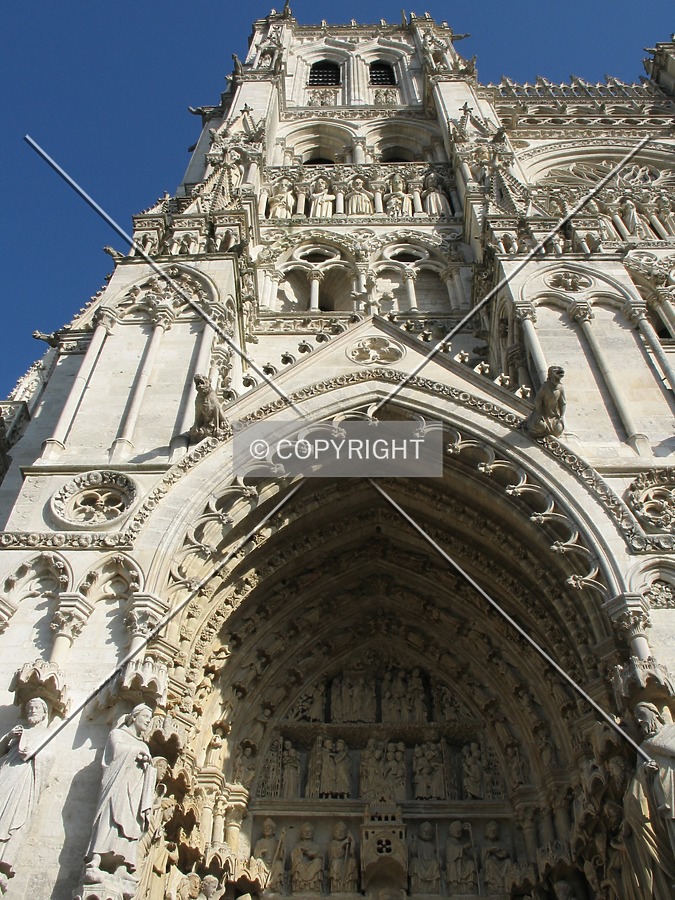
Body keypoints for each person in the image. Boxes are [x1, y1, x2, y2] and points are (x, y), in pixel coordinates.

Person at [84, 704, 157, 881]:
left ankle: (122, 868)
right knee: (109, 819)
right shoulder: (117, 734)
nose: (148, 721)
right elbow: (115, 753)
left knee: (131, 825)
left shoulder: (144, 746)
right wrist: (135, 752)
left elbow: (149, 772)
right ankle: (96, 860)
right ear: (134, 716)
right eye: (145, 716)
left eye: (150, 718)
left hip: (135, 792)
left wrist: (148, 765)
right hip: (117, 787)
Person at [0, 698, 54, 890]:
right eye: (29, 707)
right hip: (7, 773)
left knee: (13, 818)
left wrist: (31, 753)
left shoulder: (46, 735)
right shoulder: (17, 731)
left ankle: (3, 861)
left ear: (44, 712)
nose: (32, 710)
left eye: (36, 707)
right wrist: (8, 737)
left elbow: (48, 758)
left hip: (26, 778)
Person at [623, 701, 675, 898]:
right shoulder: (644, 747)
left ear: (655, 714)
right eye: (638, 719)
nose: (640, 721)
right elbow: (638, 782)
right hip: (663, 800)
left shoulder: (671, 732)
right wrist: (645, 771)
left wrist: (658, 745)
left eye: (642, 715)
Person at [523, 366, 566, 439]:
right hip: (542, 415)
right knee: (540, 426)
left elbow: (562, 403)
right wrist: (540, 414)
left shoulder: (560, 388)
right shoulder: (545, 386)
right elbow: (537, 401)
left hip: (553, 417)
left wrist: (561, 416)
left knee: (558, 429)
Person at [253, 818, 285, 892]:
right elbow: (255, 855)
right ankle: (261, 884)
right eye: (265, 828)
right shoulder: (260, 842)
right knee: (258, 861)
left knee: (279, 864)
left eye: (269, 828)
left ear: (273, 831)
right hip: (264, 864)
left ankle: (276, 886)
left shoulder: (277, 842)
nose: (267, 830)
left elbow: (281, 856)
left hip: (273, 865)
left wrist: (282, 844)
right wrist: (260, 852)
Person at [291, 822, 323, 892]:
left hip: (313, 865)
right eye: (305, 832)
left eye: (309, 831)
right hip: (302, 864)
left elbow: (321, 856)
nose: (307, 833)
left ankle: (314, 884)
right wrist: (300, 852)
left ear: (313, 834)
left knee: (318, 861)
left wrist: (312, 854)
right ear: (301, 834)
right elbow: (293, 856)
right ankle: (299, 885)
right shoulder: (298, 845)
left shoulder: (316, 846)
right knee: (297, 862)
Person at [410, 821, 440, 893]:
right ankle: (418, 884)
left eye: (429, 832)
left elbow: (436, 857)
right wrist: (414, 840)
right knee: (414, 861)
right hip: (420, 862)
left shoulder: (432, 845)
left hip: (429, 863)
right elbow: (413, 852)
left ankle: (433, 885)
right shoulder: (417, 842)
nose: (426, 834)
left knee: (435, 863)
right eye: (424, 831)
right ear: (420, 832)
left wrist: (439, 860)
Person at [328, 821, 358, 892]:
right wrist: (342, 845)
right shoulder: (332, 843)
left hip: (346, 863)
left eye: (343, 831)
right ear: (334, 832)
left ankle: (350, 887)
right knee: (336, 862)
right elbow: (335, 855)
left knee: (352, 861)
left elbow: (352, 853)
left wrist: (352, 841)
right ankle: (337, 887)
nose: (340, 833)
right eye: (338, 831)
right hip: (336, 862)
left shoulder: (348, 842)